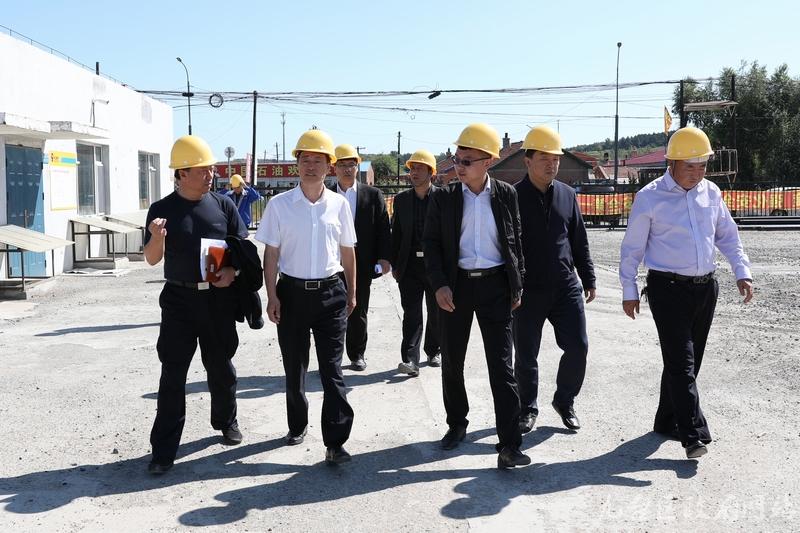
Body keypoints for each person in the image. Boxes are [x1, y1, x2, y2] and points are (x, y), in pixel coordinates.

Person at [619, 126, 753, 459]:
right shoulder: (650, 197)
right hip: (667, 290)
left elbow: (728, 236)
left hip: (705, 289)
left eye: (702, 165)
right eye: (689, 166)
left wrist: (742, 272)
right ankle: (693, 435)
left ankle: (666, 420)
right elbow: (632, 248)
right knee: (682, 363)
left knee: (687, 363)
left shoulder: (712, 193)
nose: (697, 173)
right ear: (672, 163)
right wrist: (629, 289)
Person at [423, 123, 530, 469]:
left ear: (488, 161)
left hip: (496, 287)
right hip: (456, 287)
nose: (459, 166)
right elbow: (431, 245)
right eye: (457, 159)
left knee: (502, 366)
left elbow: (515, 242)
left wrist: (517, 284)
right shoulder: (444, 198)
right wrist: (439, 284)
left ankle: (510, 444)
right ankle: (457, 423)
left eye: (467, 161)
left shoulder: (506, 194)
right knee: (453, 361)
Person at [144, 135, 248, 475]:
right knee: (173, 373)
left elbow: (242, 249)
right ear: (182, 173)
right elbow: (151, 259)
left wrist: (232, 271)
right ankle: (163, 451)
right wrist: (157, 238)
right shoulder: (161, 210)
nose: (210, 175)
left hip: (217, 300)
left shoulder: (223, 206)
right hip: (179, 300)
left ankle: (226, 421)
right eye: (203, 170)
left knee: (221, 366)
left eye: (211, 169)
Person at [256, 129, 356, 465]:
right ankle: (297, 425)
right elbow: (271, 254)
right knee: (294, 366)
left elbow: (347, 252)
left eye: (318, 161)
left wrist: (352, 293)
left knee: (332, 370)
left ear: (329, 167)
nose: (311, 166)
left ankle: (336, 441)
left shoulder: (339, 205)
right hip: (292, 295)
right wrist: (272, 295)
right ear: (296, 165)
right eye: (305, 160)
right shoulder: (279, 205)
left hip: (331, 294)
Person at [513, 125, 596, 434]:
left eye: (556, 159)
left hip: (565, 286)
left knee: (578, 346)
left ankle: (565, 400)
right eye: (544, 159)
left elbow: (578, 239)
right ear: (527, 161)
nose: (552, 165)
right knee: (526, 355)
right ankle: (527, 408)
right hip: (527, 290)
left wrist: (588, 277)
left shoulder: (567, 194)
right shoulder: (512, 197)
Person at [329, 144, 391, 371]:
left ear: (358, 167)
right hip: (331, 263)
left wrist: (384, 258)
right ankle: (332, 358)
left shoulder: (372, 195)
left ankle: (357, 354)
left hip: (361, 262)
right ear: (334, 168)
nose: (347, 169)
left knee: (358, 309)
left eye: (351, 165)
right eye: (342, 165)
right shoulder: (324, 194)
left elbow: (383, 229)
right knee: (331, 313)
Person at [390, 149, 441, 377]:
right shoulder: (401, 201)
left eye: (420, 168)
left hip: (436, 266)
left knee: (436, 312)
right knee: (411, 314)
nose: (415, 172)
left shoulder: (443, 198)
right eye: (412, 168)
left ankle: (434, 351)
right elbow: (396, 235)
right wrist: (394, 264)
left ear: (431, 173)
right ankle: (410, 359)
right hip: (410, 266)